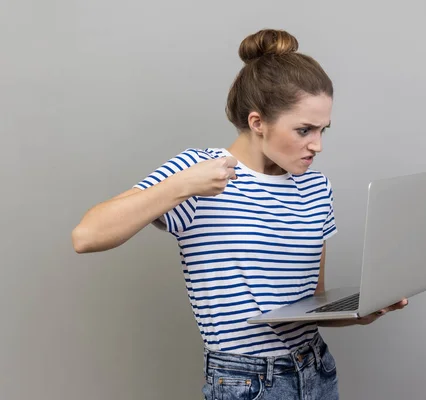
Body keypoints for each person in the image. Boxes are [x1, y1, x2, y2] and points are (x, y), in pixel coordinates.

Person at [72, 28, 408, 400]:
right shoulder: (198, 172)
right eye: (304, 130)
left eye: (323, 129)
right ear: (257, 122)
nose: (318, 145)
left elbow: (312, 302)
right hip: (247, 382)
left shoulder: (315, 188)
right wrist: (181, 186)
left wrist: (360, 313)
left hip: (316, 370)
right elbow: (86, 236)